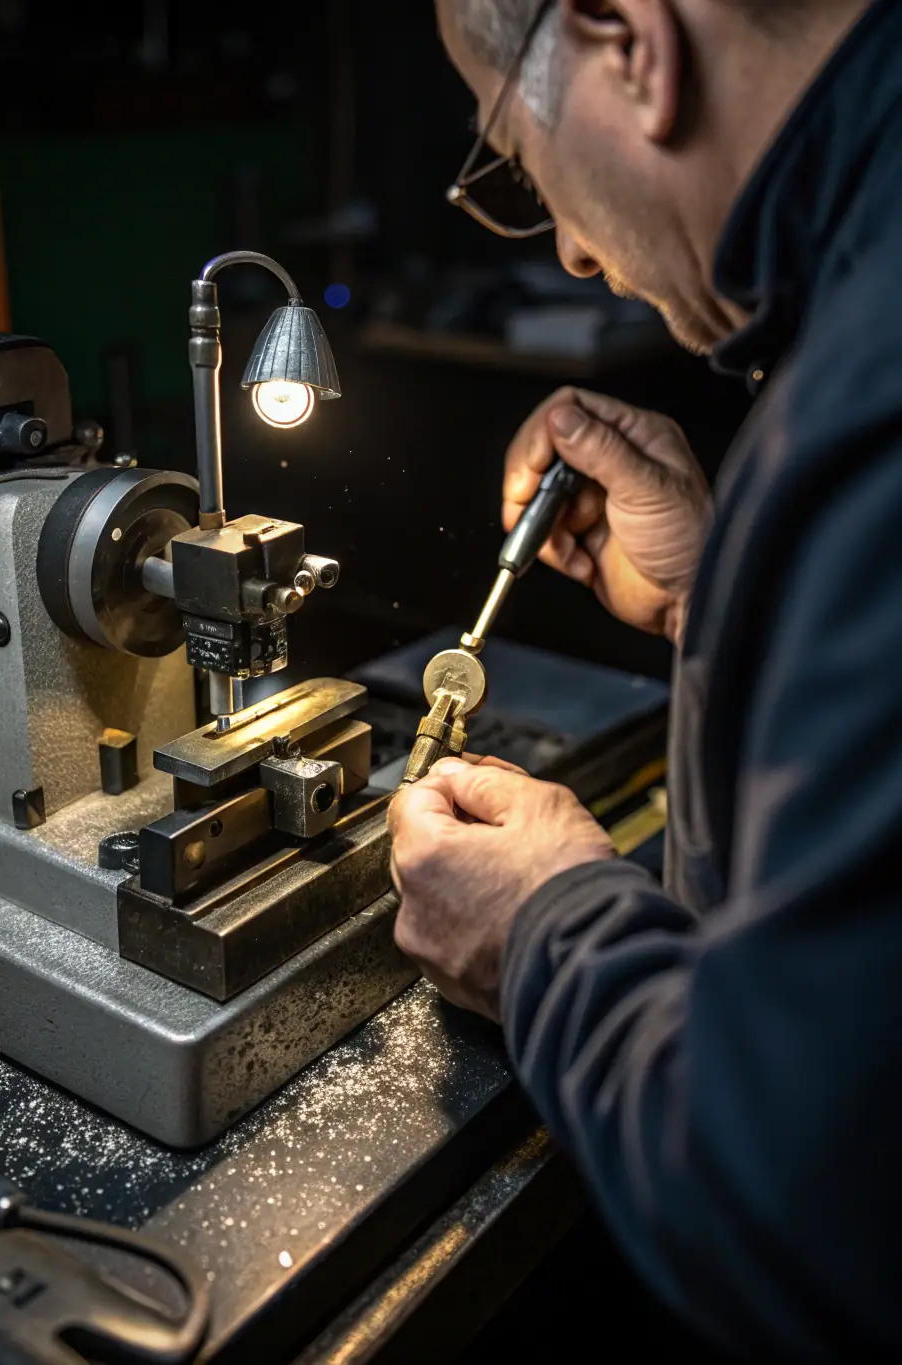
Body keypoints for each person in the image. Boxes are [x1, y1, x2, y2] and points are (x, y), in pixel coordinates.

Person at [389, 0, 902, 1356]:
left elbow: (800, 1202)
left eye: (511, 145)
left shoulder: (870, 391)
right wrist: (724, 589)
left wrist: (546, 929)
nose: (563, 241)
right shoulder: (855, 299)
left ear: (632, 42)